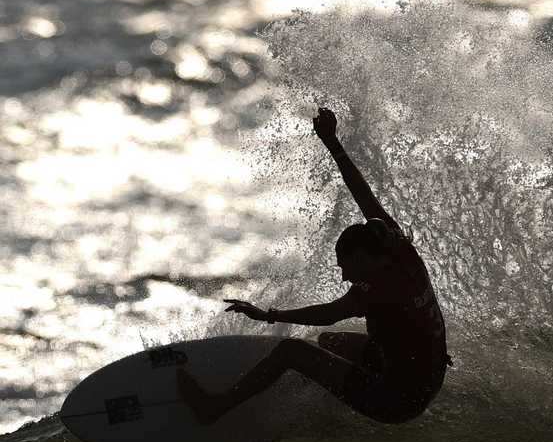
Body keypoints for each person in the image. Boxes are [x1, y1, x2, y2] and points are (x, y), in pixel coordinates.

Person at [177, 107, 452, 425]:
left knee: (291, 352)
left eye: (348, 267)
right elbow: (363, 195)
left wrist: (269, 315)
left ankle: (215, 408)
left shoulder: (376, 290)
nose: (345, 275)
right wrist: (332, 143)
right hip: (428, 379)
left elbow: (327, 313)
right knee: (329, 342)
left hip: (395, 401)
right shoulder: (399, 250)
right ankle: (330, 391)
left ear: (366, 258)